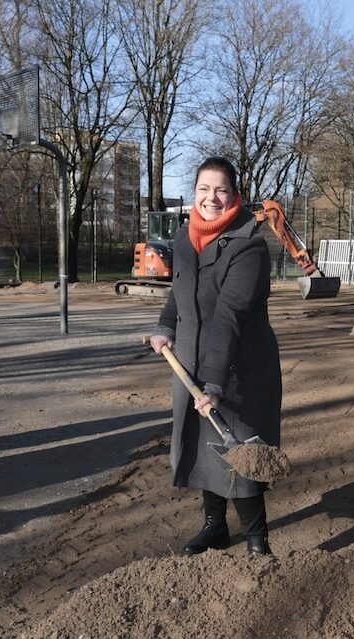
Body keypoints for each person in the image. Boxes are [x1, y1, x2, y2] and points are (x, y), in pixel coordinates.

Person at [149, 156, 281, 557]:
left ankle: (257, 542)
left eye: (221, 189)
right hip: (191, 362)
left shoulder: (249, 246)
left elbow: (229, 315)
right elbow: (179, 291)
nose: (211, 197)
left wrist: (215, 383)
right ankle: (215, 527)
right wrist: (165, 326)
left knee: (240, 451)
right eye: (203, 189)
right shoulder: (185, 237)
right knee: (205, 447)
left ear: (234, 195)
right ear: (194, 193)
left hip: (237, 365)